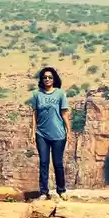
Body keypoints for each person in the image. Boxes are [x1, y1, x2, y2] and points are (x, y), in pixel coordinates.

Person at [29, 66, 71, 199]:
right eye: (45, 77)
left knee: (58, 163)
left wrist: (68, 131)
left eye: (50, 77)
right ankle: (43, 192)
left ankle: (61, 190)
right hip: (41, 134)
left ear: (54, 79)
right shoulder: (36, 94)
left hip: (58, 134)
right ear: (42, 79)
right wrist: (32, 131)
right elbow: (34, 114)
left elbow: (64, 113)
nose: (47, 79)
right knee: (44, 162)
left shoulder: (60, 94)